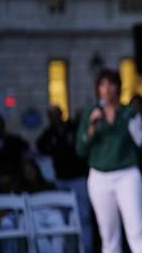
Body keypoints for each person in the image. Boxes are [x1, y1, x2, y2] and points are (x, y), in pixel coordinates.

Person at [76, 69, 142, 253]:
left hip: (127, 174)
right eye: (103, 84)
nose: (107, 89)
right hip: (99, 177)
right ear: (98, 89)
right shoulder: (90, 114)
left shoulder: (130, 112)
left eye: (111, 84)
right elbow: (80, 149)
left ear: (118, 87)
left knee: (138, 230)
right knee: (109, 236)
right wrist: (91, 129)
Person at [37, 105, 93, 253]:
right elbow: (39, 145)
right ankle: (68, 249)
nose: (54, 118)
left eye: (56, 115)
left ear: (61, 114)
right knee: (63, 218)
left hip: (78, 178)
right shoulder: (50, 133)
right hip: (61, 179)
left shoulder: (72, 128)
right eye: (50, 116)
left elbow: (83, 144)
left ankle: (86, 248)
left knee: (83, 216)